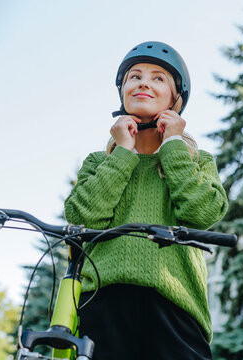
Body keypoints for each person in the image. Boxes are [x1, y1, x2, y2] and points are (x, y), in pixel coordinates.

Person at [64, 41, 229, 359]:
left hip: (176, 307)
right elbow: (84, 215)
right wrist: (123, 151)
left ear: (175, 99)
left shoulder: (197, 161)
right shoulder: (99, 162)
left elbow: (203, 212)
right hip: (103, 303)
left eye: (158, 78)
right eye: (134, 76)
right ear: (122, 91)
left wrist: (173, 144)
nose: (143, 82)